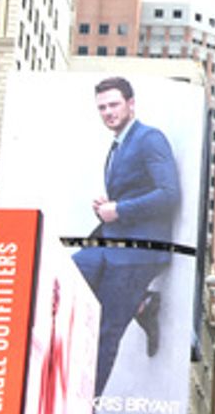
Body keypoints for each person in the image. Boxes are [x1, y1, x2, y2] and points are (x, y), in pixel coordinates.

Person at [71, 76, 181, 394]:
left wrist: (120, 209)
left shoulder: (149, 139)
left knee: (108, 328)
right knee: (69, 275)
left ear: (131, 104)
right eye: (102, 107)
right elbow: (134, 192)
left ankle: (86, 406)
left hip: (139, 251)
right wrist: (110, 208)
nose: (108, 112)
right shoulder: (118, 145)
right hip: (113, 240)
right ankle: (141, 304)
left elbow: (168, 194)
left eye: (114, 105)